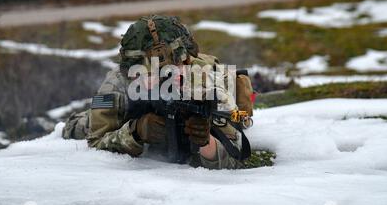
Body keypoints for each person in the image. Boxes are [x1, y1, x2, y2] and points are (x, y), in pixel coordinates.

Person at [62, 15, 249, 169]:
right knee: (79, 125)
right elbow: (96, 143)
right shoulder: (115, 87)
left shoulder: (207, 79)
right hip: (121, 115)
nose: (168, 78)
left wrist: (206, 141)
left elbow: (237, 156)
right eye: (154, 73)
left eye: (175, 67)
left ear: (186, 62)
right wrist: (136, 132)